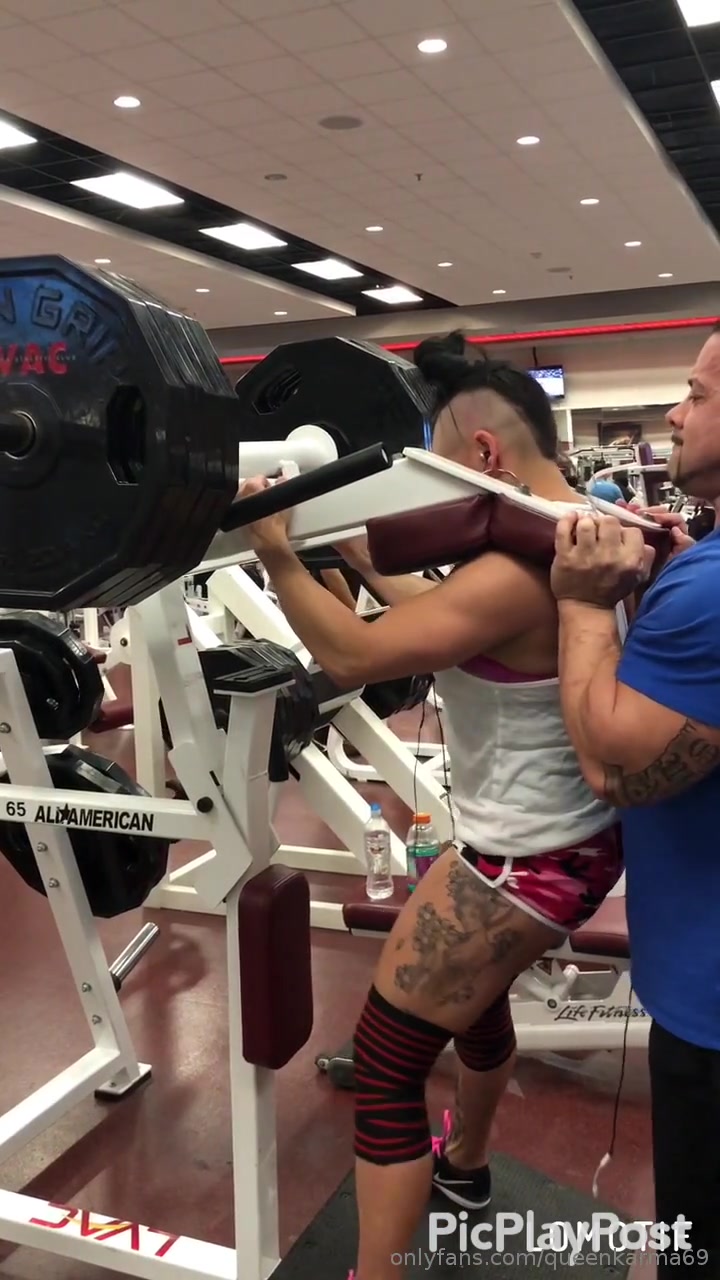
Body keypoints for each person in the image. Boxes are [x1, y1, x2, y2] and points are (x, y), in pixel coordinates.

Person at [240, 332, 622, 1280]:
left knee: (384, 1063)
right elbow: (442, 617)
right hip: (554, 846)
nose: (431, 493)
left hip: (521, 864)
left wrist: (277, 557)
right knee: (474, 1009)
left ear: (486, 453)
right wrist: (355, 553)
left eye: (440, 468)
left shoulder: (516, 572)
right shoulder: (580, 532)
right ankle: (469, 1166)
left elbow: (357, 657)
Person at [550, 323, 720, 1268]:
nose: (673, 412)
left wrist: (583, 601)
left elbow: (614, 769)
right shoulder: (703, 573)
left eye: (697, 393)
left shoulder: (712, 591)